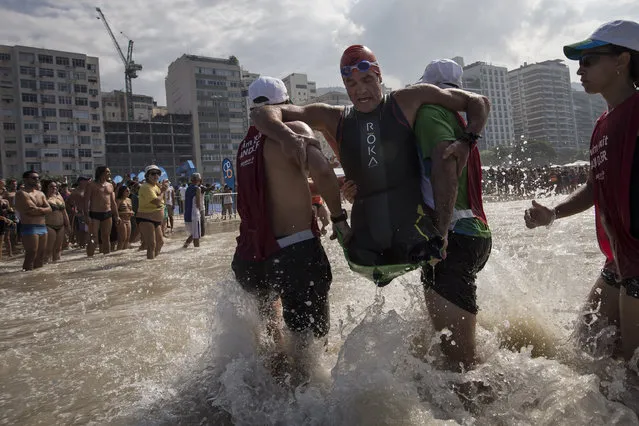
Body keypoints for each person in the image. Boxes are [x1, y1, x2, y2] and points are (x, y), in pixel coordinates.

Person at [251, 45, 490, 286]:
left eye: (367, 79)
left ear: (379, 77)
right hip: (366, 244)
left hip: (415, 234)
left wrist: (467, 141)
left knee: (434, 291)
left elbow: (477, 102)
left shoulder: (408, 99)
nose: (361, 90)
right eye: (351, 84)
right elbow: (264, 113)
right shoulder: (333, 117)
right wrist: (286, 136)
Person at [525, 20, 639, 362]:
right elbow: (595, 187)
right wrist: (554, 212)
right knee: (584, 351)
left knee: (630, 373)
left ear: (621, 61)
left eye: (589, 60)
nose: (580, 70)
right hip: (617, 262)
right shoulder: (601, 124)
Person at [232, 76, 352, 378]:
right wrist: (339, 217)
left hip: (252, 259)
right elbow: (322, 170)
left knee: (276, 348)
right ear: (286, 104)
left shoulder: (246, 145)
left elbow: (277, 185)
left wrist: (318, 192)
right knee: (311, 350)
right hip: (295, 250)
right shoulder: (292, 129)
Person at [409, 59, 492, 371]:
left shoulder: (431, 113)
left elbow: (444, 167)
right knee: (458, 353)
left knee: (460, 363)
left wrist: (439, 232)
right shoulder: (462, 120)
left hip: (452, 235)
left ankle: (485, 416)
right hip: (475, 233)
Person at [14, 170, 51, 270]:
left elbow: (49, 209)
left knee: (41, 256)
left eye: (38, 178)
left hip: (42, 226)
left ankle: (37, 279)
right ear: (25, 179)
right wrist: (42, 210)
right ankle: (26, 278)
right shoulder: (21, 193)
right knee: (31, 254)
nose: (37, 180)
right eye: (33, 178)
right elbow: (31, 210)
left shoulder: (41, 193)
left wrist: (38, 209)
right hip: (29, 227)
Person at [84, 167, 120, 256]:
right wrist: (86, 216)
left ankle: (106, 258)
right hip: (94, 214)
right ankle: (89, 258)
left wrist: (117, 215)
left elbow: (113, 202)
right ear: (101, 173)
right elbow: (86, 201)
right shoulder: (91, 185)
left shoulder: (110, 185)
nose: (109, 174)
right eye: (107, 172)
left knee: (106, 237)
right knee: (94, 238)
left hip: (107, 213)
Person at [137, 165, 169, 259]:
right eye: (153, 173)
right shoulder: (146, 187)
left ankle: (153, 263)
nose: (156, 176)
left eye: (158, 173)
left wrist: (162, 188)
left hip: (155, 219)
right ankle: (149, 266)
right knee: (151, 245)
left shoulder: (155, 186)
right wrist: (163, 191)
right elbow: (157, 201)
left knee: (160, 242)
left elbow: (162, 201)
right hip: (146, 218)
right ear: (147, 175)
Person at [42, 180, 69, 263]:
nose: (54, 188)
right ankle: (45, 269)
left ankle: (56, 269)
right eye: (51, 186)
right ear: (46, 188)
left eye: (56, 186)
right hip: (49, 225)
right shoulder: (44, 197)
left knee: (58, 249)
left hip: (61, 226)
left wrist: (68, 225)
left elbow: (64, 212)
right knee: (48, 250)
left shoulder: (59, 197)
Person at [183, 173, 203, 248]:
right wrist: (200, 210)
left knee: (193, 233)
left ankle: (185, 246)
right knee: (196, 235)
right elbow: (198, 203)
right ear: (199, 180)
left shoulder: (187, 188)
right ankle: (197, 252)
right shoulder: (197, 189)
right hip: (194, 214)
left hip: (187, 214)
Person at [116, 185, 133, 250]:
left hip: (128, 220)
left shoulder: (129, 200)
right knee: (122, 238)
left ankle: (123, 254)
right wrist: (126, 213)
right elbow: (115, 212)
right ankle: (117, 253)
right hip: (121, 220)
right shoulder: (118, 200)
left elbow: (130, 209)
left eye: (129, 191)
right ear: (122, 192)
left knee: (127, 239)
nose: (128, 192)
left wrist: (131, 212)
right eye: (127, 191)